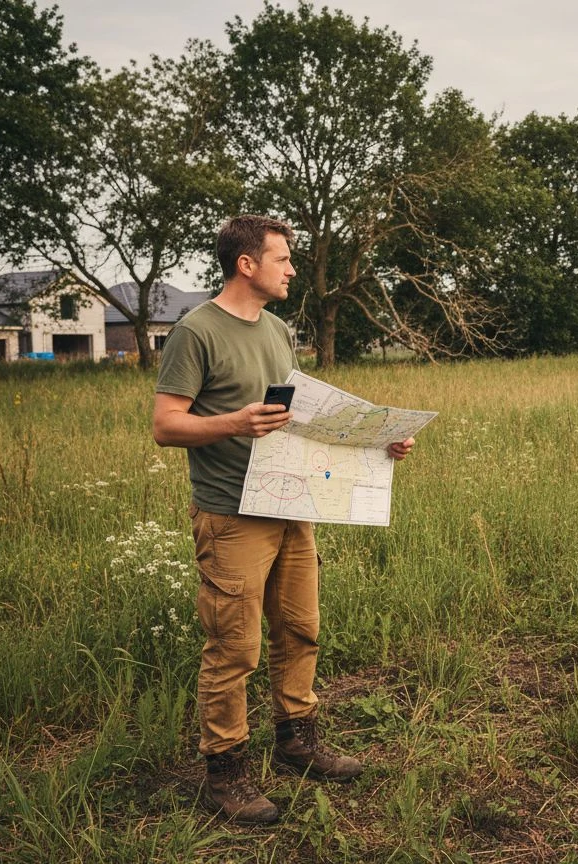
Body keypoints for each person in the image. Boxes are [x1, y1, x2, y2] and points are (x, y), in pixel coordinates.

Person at [153, 214, 414, 824]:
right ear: (247, 265)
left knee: (300, 629)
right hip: (231, 514)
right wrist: (233, 423)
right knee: (234, 647)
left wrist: (377, 445)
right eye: (283, 258)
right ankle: (226, 773)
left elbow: (295, 421)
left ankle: (298, 742)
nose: (293, 268)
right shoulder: (196, 332)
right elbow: (167, 425)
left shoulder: (278, 330)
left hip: (291, 503)